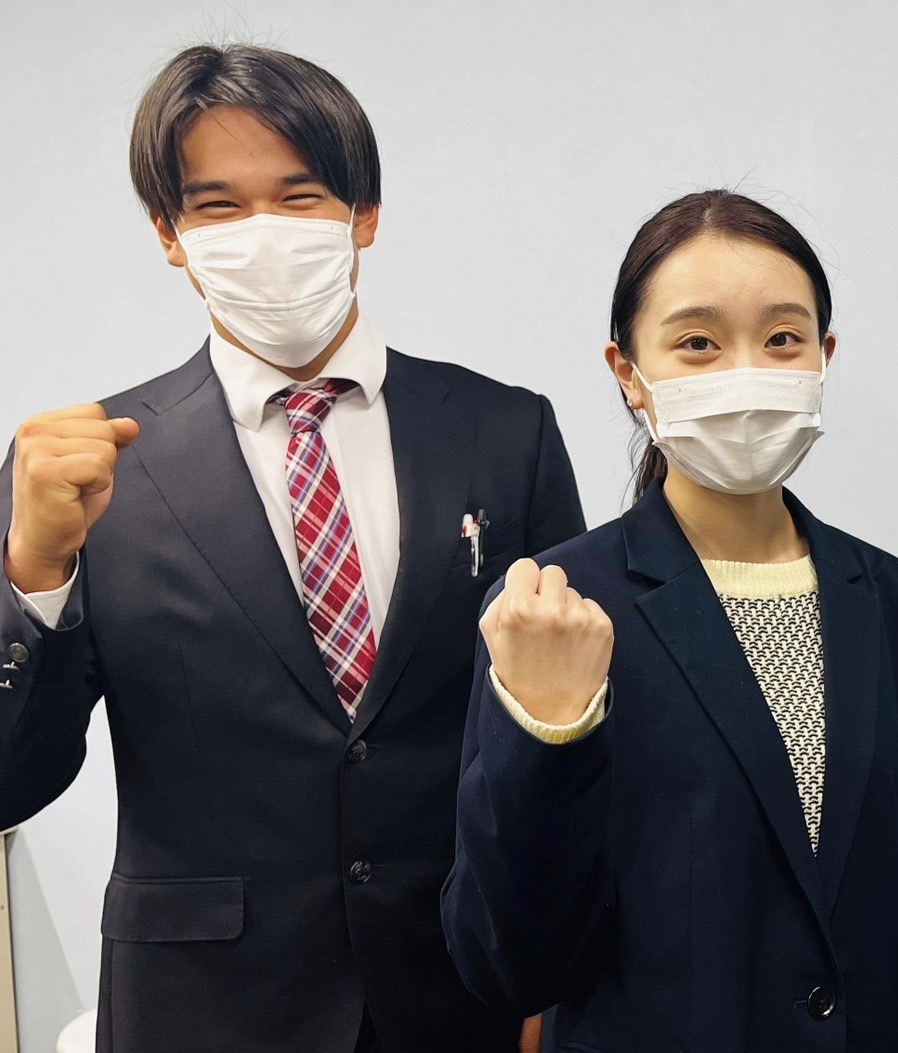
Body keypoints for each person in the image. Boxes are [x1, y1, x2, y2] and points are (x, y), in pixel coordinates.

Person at [0, 44, 584, 1052]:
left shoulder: (504, 431)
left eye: (300, 195)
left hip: (458, 989)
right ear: (169, 233)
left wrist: (554, 974)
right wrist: (34, 577)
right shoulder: (87, 467)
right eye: (219, 206)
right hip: (202, 1005)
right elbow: (11, 783)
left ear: (365, 215)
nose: (262, 230)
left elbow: (558, 729)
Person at [442, 190, 898, 1052]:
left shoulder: (896, 602)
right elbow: (510, 966)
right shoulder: (559, 606)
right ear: (627, 372)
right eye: (697, 343)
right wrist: (547, 729)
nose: (746, 372)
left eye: (782, 338)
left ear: (824, 356)